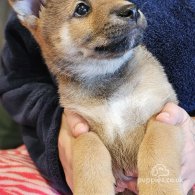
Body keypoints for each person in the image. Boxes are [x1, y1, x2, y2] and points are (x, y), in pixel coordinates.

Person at [0, 0, 194, 194]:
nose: (125, 6)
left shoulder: (147, 76)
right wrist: (58, 134)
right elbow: (19, 80)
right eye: (82, 9)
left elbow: (167, 124)